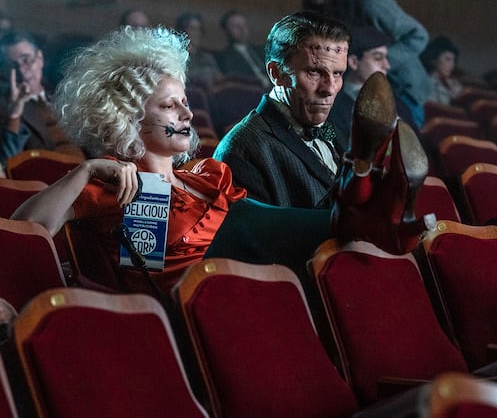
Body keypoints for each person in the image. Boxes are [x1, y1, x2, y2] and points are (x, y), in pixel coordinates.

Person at [11, 25, 430, 296]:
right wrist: (84, 170)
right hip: (184, 298)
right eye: (169, 107)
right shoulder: (113, 186)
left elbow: (272, 234)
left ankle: (358, 192)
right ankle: (364, 197)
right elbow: (25, 229)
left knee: (256, 219)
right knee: (239, 217)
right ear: (130, 119)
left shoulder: (206, 175)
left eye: (186, 103)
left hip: (247, 287)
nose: (187, 115)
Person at [213, 11, 349, 208]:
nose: (329, 88)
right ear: (276, 73)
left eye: (337, 73)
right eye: (314, 71)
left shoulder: (337, 133)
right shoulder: (241, 149)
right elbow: (256, 237)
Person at [302, 0, 431, 128]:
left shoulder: (368, 3)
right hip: (362, 94)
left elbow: (418, 36)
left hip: (403, 92)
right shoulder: (319, 13)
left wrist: (376, 61)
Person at [0, 30, 83, 165]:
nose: (22, 70)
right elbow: (7, 163)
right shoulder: (6, 107)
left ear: (40, 58)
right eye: (13, 65)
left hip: (90, 168)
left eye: (26, 60)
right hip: (51, 179)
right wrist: (14, 115)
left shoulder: (63, 91)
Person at [215, 9, 272, 90]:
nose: (242, 29)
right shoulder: (223, 57)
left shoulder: (262, 51)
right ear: (226, 31)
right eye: (236, 26)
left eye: (244, 25)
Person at [175, 11, 222, 89]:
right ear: (183, 31)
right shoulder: (176, 57)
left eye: (199, 29)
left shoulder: (207, 57)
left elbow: (219, 77)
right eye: (193, 29)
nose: (197, 33)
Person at [420, 35, 464, 105]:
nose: (452, 65)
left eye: (453, 60)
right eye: (447, 59)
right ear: (434, 60)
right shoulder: (425, 82)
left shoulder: (454, 84)